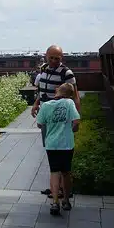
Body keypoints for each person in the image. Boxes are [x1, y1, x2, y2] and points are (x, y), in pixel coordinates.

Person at [31, 45, 80, 197]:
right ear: (46, 56)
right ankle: (55, 186)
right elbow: (42, 90)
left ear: (61, 58)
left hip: (59, 115)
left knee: (58, 151)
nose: (53, 61)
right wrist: (36, 103)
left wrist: (77, 116)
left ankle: (60, 189)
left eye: (57, 58)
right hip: (46, 114)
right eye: (51, 57)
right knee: (51, 150)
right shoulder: (44, 69)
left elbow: (75, 94)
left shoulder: (66, 73)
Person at [36, 83, 81, 215]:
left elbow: (40, 124)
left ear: (57, 91)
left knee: (54, 172)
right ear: (70, 94)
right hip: (67, 144)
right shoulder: (69, 103)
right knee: (66, 172)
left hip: (52, 144)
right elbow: (76, 121)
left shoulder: (46, 105)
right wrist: (72, 130)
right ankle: (66, 201)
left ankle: (55, 203)